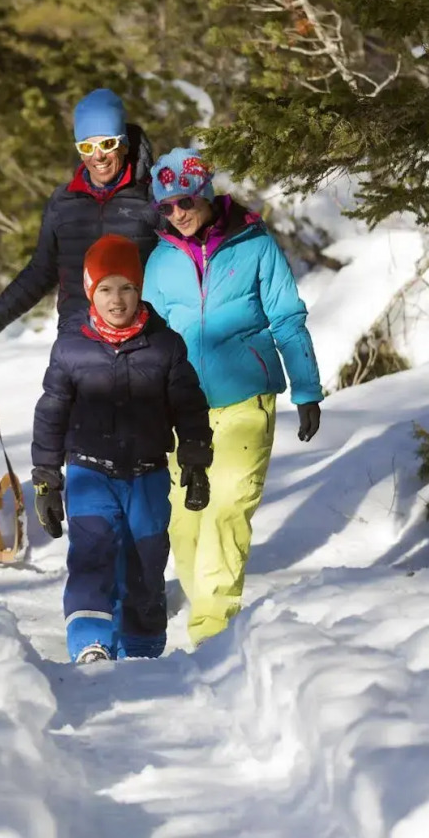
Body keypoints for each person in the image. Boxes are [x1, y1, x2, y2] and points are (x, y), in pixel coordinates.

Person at [141, 147, 324, 647]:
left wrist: (306, 388)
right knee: (184, 520)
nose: (177, 213)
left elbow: (286, 315)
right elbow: (149, 339)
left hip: (246, 397)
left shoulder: (255, 244)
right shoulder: (160, 260)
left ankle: (213, 629)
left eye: (184, 201)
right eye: (166, 206)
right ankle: (203, 606)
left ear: (204, 192)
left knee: (227, 507)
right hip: (180, 409)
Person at [29, 234, 212, 664]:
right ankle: (91, 641)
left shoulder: (165, 345)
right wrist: (47, 480)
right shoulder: (71, 348)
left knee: (145, 558)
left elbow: (189, 406)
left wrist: (195, 459)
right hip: (89, 471)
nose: (117, 299)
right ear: (90, 291)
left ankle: (142, 648)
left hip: (148, 473)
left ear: (140, 289)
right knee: (91, 555)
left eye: (127, 287)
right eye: (106, 288)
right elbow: (51, 413)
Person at [0, 88, 160, 354]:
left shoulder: (151, 198)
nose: (98, 156)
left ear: (123, 145)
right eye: (87, 147)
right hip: (79, 341)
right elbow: (40, 271)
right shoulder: (63, 203)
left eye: (107, 144)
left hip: (140, 342)